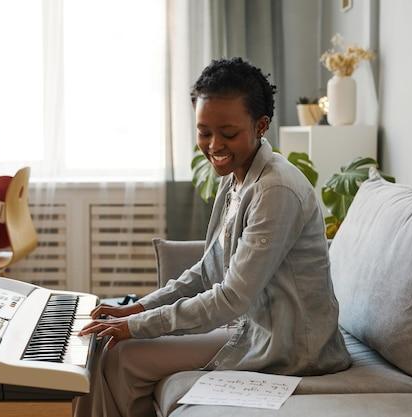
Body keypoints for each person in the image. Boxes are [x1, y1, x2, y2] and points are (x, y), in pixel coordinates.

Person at [74, 58, 352, 417]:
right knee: (107, 346)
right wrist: (137, 309)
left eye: (228, 132)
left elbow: (231, 297)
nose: (214, 144)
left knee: (121, 355)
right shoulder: (236, 178)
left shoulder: (276, 190)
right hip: (250, 328)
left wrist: (135, 327)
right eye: (204, 132)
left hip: (289, 346)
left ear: (261, 126)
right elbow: (207, 271)